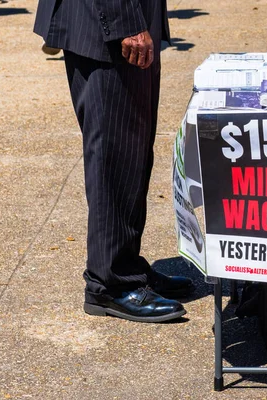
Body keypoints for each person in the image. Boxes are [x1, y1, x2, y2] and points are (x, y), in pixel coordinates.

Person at [33, 0, 194, 323]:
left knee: (131, 152)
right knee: (114, 155)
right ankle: (111, 284)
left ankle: (125, 265)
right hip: (108, 25)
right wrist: (125, 24)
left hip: (118, 21)